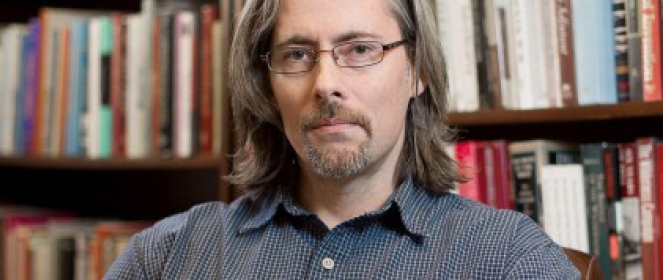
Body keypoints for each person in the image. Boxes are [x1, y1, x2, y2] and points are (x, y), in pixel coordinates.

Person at [106, 0, 580, 278]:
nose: (325, 82)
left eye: (360, 49)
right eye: (297, 54)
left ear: (417, 71)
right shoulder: (169, 255)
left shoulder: (508, 259)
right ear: (266, 86)